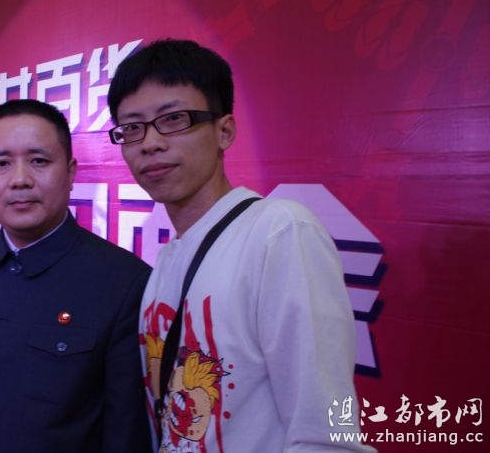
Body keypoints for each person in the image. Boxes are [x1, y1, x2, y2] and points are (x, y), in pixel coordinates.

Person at [107, 39, 373, 452]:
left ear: (224, 131)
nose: (150, 143)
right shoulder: (168, 259)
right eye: (132, 128)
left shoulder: (279, 233)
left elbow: (328, 432)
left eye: (173, 119)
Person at [0, 99, 152, 452]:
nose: (20, 180)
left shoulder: (125, 283)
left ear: (71, 172)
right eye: (1, 164)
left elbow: (125, 433)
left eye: (39, 161)